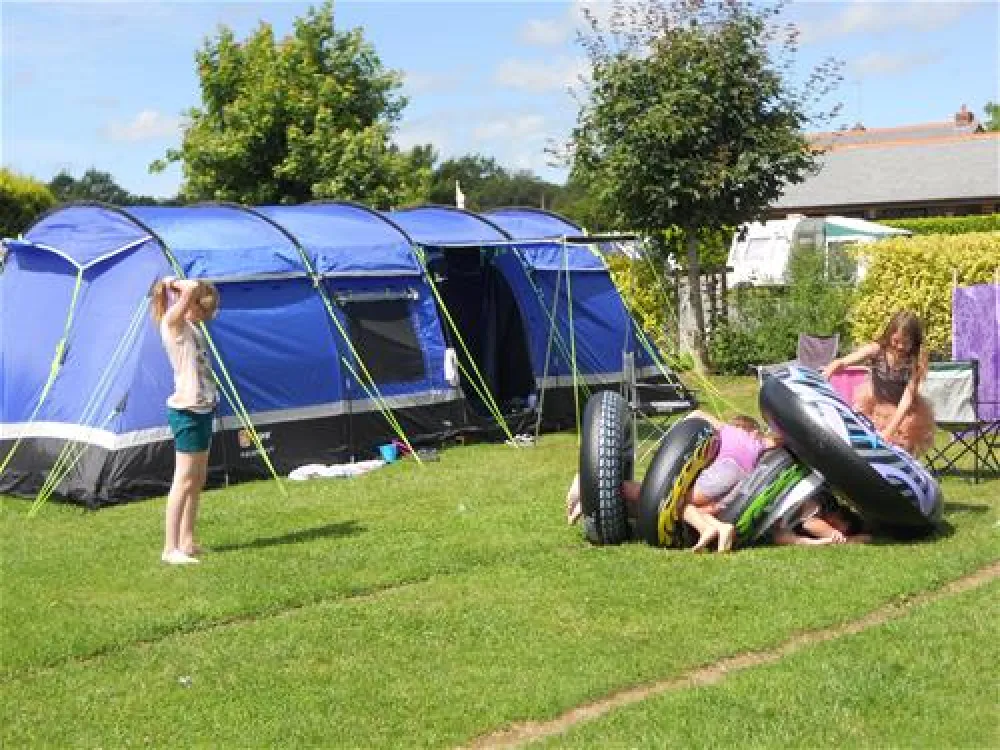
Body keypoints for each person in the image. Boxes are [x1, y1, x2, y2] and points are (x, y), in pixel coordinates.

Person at [151, 277, 220, 565]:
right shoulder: (173, 323)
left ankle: (187, 540)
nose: (207, 317)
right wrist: (175, 284)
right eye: (205, 310)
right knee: (183, 479)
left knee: (197, 478)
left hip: (203, 408)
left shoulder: (191, 326)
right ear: (190, 304)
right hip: (187, 411)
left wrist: (178, 287)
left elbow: (192, 291)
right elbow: (189, 288)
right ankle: (170, 548)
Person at [821, 310, 935, 456]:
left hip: (902, 413)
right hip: (874, 405)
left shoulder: (915, 361)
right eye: (896, 341)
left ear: (914, 342)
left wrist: (890, 430)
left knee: (895, 449)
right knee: (863, 445)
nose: (900, 347)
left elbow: (907, 399)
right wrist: (829, 372)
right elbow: (843, 362)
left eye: (906, 343)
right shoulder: (877, 350)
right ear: (889, 335)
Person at [565, 473, 735, 553]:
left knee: (658, 497)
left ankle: (583, 484)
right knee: (649, 502)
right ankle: (719, 527)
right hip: (721, 502)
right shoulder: (753, 452)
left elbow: (697, 414)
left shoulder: (731, 439)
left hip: (708, 491)